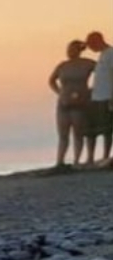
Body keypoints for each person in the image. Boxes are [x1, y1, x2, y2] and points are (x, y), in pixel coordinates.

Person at [49, 40, 96, 168]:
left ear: (78, 50)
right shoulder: (63, 66)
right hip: (64, 102)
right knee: (63, 134)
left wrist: (93, 90)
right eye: (68, 49)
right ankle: (60, 161)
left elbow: (103, 73)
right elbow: (51, 80)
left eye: (72, 49)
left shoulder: (87, 63)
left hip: (80, 101)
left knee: (78, 132)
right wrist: (59, 92)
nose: (69, 52)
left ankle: (76, 160)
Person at [85, 31, 113, 166]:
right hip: (97, 96)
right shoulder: (102, 55)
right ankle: (93, 157)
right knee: (95, 128)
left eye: (91, 45)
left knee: (107, 128)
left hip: (107, 96)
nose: (90, 48)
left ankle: (106, 155)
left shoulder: (110, 54)